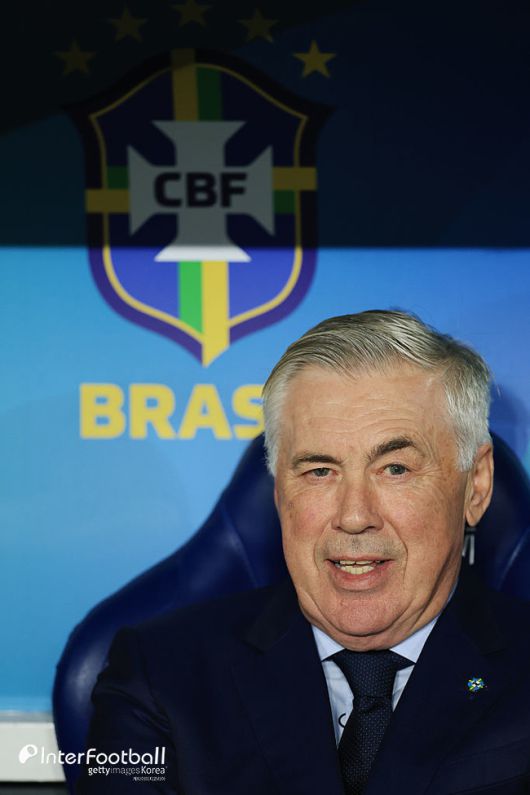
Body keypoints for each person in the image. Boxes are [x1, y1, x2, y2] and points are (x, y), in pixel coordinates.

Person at [77, 310, 530, 794]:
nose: (354, 516)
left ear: (476, 485)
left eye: (395, 469)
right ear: (279, 493)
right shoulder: (158, 673)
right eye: (319, 471)